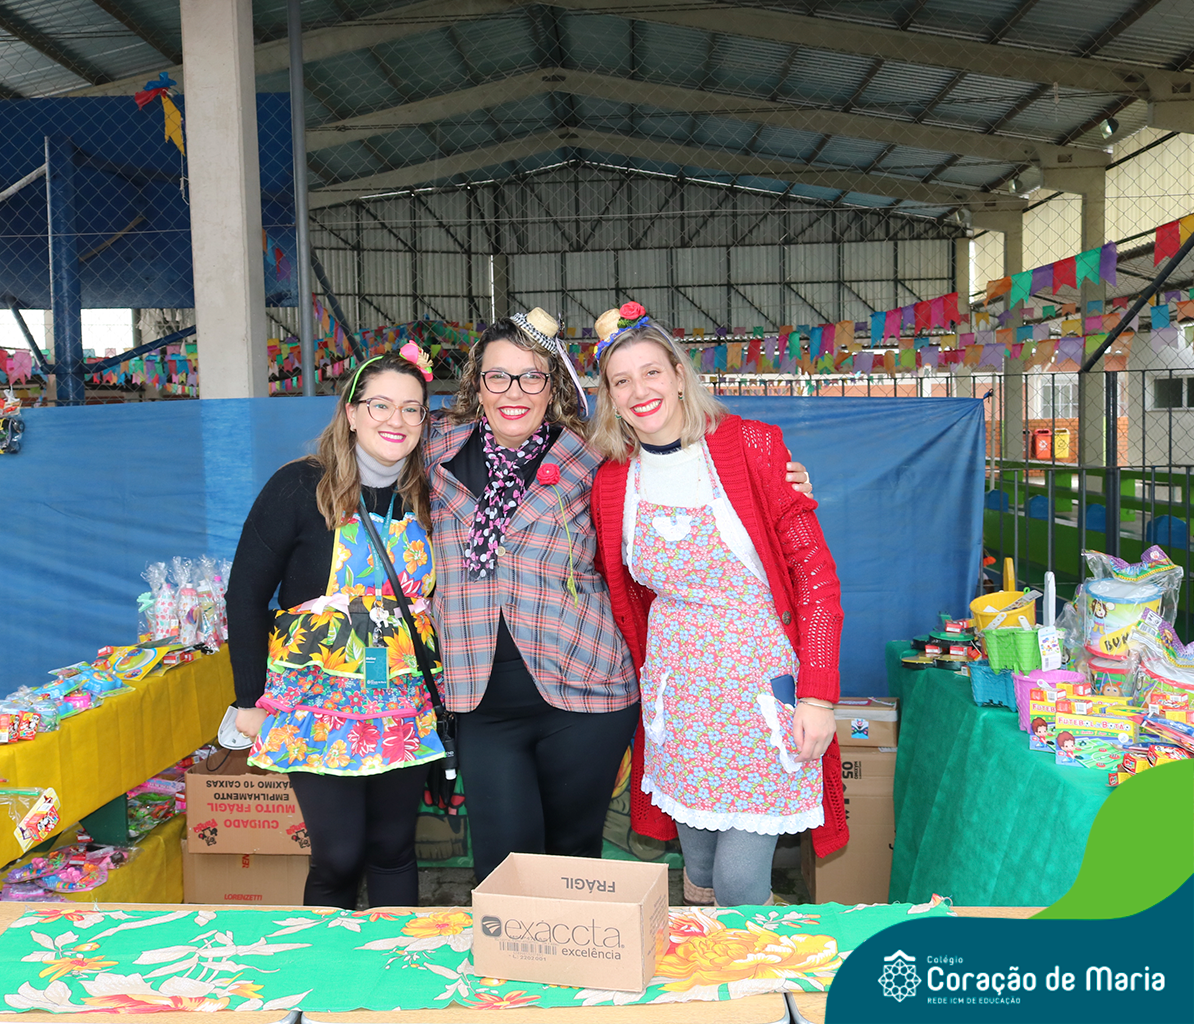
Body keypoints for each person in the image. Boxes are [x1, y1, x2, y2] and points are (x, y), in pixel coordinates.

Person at [424, 308, 817, 884]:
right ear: (476, 385)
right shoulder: (433, 449)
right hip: (482, 697)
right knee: (504, 870)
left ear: (553, 386)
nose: (514, 391)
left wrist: (780, 483)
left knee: (574, 861)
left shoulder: (594, 457)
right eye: (498, 376)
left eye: (532, 376)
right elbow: (373, 452)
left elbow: (683, 467)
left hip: (586, 690)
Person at [589, 302, 848, 907]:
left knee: (738, 880)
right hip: (679, 700)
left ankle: (751, 960)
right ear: (610, 398)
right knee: (700, 868)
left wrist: (817, 696)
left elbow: (816, 577)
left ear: (680, 375)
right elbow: (623, 591)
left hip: (760, 697)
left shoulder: (751, 446)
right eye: (622, 381)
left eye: (652, 372)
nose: (639, 391)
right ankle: (713, 958)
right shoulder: (613, 480)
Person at [225, 345, 444, 910]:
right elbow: (245, 596)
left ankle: (399, 955)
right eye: (380, 405)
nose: (396, 420)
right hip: (316, 702)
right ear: (350, 412)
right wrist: (248, 699)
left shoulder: (430, 493)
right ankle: (324, 957)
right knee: (339, 856)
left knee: (394, 848)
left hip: (403, 699)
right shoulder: (300, 487)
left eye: (411, 408)